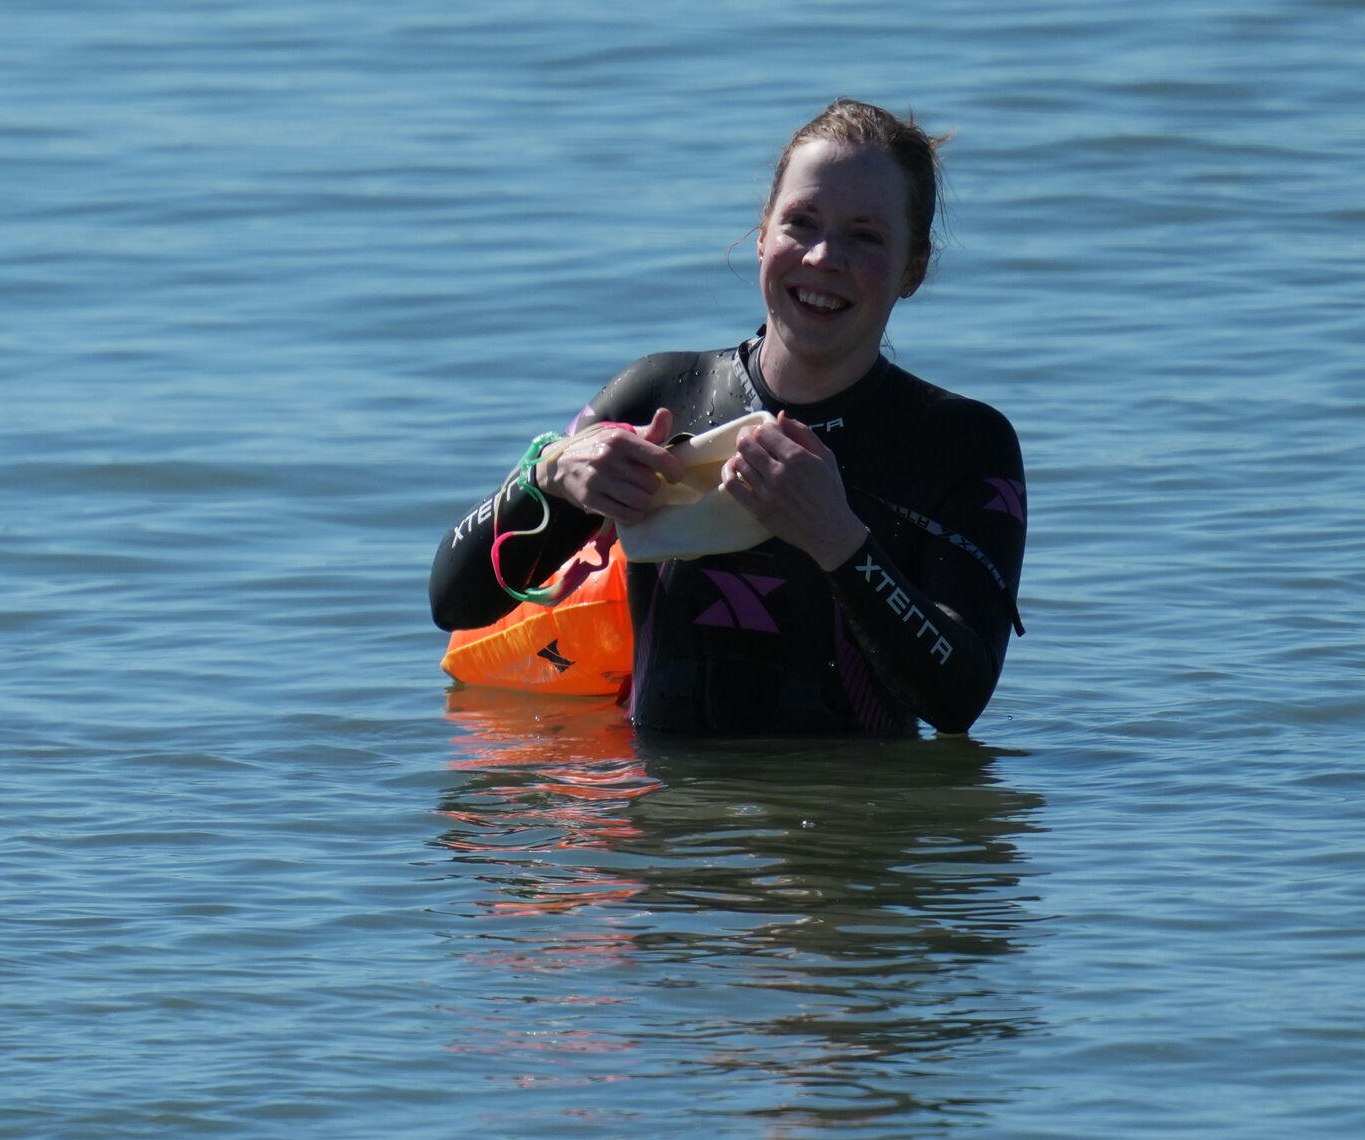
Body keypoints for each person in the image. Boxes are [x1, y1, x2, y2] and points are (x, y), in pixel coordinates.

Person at [426, 100, 1027, 735]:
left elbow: (960, 698)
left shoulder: (958, 443)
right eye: (802, 222)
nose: (825, 257)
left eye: (865, 236)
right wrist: (549, 475)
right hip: (667, 823)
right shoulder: (660, 395)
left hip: (850, 826)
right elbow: (453, 600)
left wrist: (837, 540)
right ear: (763, 233)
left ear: (914, 268)